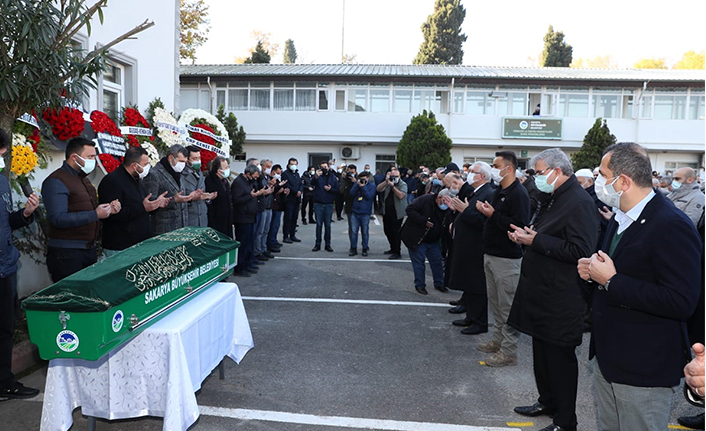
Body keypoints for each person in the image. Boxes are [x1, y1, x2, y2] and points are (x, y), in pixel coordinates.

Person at [577, 142, 701, 431]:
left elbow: (681, 300)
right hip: (609, 358)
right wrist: (592, 274)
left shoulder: (671, 224)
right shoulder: (621, 216)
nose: (597, 180)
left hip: (643, 368)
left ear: (623, 181)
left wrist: (611, 280)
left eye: (602, 174)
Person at [508, 149, 599, 431]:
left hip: (562, 295)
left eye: (539, 172)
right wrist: (527, 236)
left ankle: (565, 421)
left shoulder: (579, 201)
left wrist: (535, 241)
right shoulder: (554, 196)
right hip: (542, 291)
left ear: (557, 171)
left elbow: (581, 250)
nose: (535, 178)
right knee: (542, 354)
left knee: (559, 360)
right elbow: (547, 234)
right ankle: (547, 401)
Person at [475, 151, 530, 367]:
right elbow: (496, 219)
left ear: (509, 168)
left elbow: (519, 225)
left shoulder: (519, 193)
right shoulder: (499, 190)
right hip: (492, 254)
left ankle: (509, 352)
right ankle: (498, 341)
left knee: (507, 306)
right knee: (496, 303)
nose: (493, 169)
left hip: (507, 258)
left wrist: (493, 215)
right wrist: (487, 213)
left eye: (496, 166)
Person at [42, 137, 119, 282]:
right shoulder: (56, 181)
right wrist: (95, 214)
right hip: (67, 254)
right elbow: (57, 218)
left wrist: (108, 210)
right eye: (90, 157)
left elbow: (85, 208)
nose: (94, 161)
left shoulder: (83, 179)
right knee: (70, 294)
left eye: (94, 157)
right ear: (74, 157)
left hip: (88, 250)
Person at [0, 128, 40, 399]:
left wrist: (26, 213)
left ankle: (4, 382)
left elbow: (6, 223)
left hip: (6, 266)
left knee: (4, 328)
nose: (3, 158)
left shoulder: (2, 182)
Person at [448, 162, 495, 333]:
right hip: (468, 245)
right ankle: (470, 316)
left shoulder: (488, 193)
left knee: (477, 286)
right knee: (469, 284)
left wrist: (464, 210)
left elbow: (483, 221)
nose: (468, 174)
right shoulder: (477, 192)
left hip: (476, 247)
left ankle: (479, 322)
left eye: (472, 172)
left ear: (481, 176)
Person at [98, 146, 170, 256]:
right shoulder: (112, 181)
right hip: (121, 246)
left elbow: (141, 206)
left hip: (139, 244)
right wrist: (143, 208)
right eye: (145, 164)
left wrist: (155, 205)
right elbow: (111, 215)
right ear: (135, 166)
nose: (148, 168)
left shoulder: (136, 179)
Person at [401, 189, 452, 294]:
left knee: (437, 262)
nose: (446, 205)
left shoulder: (448, 209)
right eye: (445, 202)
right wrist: (423, 221)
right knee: (419, 263)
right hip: (418, 238)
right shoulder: (425, 200)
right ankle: (420, 285)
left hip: (434, 239)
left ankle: (439, 283)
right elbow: (410, 209)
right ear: (439, 198)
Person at [143, 144, 199, 235]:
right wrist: (174, 200)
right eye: (181, 161)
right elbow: (150, 204)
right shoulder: (154, 174)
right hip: (164, 230)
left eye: (185, 162)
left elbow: (180, 195)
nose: (183, 165)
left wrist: (190, 197)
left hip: (181, 230)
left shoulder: (179, 172)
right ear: (170, 158)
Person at [231, 164, 263, 276]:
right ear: (248, 174)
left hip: (250, 216)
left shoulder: (248, 182)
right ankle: (240, 267)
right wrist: (251, 196)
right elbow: (236, 199)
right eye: (254, 177)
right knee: (243, 243)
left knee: (249, 242)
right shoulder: (239, 183)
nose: (255, 179)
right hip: (242, 217)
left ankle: (248, 263)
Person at [377, 167, 408, 260]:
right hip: (387, 211)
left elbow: (401, 195)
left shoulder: (402, 184)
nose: (394, 178)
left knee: (396, 232)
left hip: (397, 212)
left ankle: (397, 252)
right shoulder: (388, 183)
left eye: (396, 176)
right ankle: (392, 248)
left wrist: (393, 187)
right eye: (393, 176)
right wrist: (386, 181)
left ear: (400, 176)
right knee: (387, 231)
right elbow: (378, 189)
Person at [182, 146, 214, 227]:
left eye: (199, 158)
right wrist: (191, 198)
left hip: (202, 219)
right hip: (189, 220)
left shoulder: (200, 174)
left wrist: (208, 197)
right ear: (187, 160)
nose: (198, 161)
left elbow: (203, 193)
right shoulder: (182, 175)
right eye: (194, 158)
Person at [311, 161, 339, 252]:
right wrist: (316, 176)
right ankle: (317, 244)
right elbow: (312, 183)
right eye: (322, 167)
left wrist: (330, 189)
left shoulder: (333, 177)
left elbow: (337, 190)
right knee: (319, 225)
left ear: (328, 167)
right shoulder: (318, 176)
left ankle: (328, 244)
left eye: (325, 167)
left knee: (328, 225)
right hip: (318, 203)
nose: (324, 169)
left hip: (328, 204)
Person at [348, 170, 376, 256]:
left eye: (364, 179)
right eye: (361, 179)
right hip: (355, 211)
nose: (362, 180)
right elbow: (351, 193)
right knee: (354, 231)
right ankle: (353, 248)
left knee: (365, 232)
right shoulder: (357, 184)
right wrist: (357, 185)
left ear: (367, 178)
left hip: (365, 212)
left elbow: (369, 197)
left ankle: (364, 248)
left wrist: (363, 187)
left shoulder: (372, 186)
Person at [204, 156, 232, 237]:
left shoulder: (225, 181)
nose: (228, 169)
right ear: (219, 171)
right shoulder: (210, 181)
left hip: (227, 218)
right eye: (226, 167)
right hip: (216, 219)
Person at [254, 159, 275, 262]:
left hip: (269, 206)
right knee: (260, 231)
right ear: (262, 166)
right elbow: (259, 190)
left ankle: (263, 248)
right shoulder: (259, 178)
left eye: (270, 167)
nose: (269, 169)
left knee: (266, 230)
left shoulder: (267, 177)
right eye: (267, 166)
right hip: (262, 207)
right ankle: (258, 251)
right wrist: (265, 192)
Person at [281, 157, 303, 243]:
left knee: (294, 218)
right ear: (288, 165)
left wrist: (300, 191)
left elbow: (300, 183)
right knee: (288, 218)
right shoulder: (285, 174)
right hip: (289, 198)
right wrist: (295, 191)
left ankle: (292, 235)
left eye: (295, 164)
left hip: (297, 199)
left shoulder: (297, 174)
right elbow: (286, 185)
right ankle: (286, 236)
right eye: (292, 164)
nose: (293, 166)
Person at [267, 164, 286, 253]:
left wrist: (283, 191)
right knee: (272, 225)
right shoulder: (270, 180)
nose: (279, 174)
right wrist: (278, 188)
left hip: (279, 205)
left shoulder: (278, 180)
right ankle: (270, 242)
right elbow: (272, 191)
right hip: (273, 205)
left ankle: (274, 240)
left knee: (276, 225)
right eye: (277, 172)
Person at [340, 164, 358, 250]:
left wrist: (355, 182)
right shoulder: (345, 179)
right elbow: (341, 191)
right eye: (349, 172)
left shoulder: (359, 178)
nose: (351, 174)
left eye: (352, 172)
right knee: (351, 227)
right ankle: (352, 245)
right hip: (349, 206)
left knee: (363, 228)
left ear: (355, 172)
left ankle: (365, 244)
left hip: (359, 206)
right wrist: (343, 179)